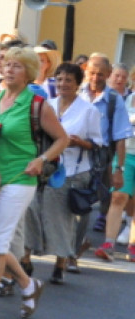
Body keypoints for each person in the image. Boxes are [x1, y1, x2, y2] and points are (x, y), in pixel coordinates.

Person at [0, 47, 68, 319]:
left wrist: (41, 160)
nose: (9, 69)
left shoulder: (37, 105)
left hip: (21, 177)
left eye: (17, 66)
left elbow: (62, 139)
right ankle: (28, 284)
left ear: (29, 72)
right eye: (7, 64)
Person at [24, 62, 102, 284]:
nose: (63, 84)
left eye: (68, 80)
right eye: (59, 79)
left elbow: (97, 143)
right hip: (44, 168)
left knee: (59, 217)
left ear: (78, 84)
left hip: (73, 171)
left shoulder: (89, 111)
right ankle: (26, 257)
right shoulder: (47, 104)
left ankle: (60, 262)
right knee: (31, 210)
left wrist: (79, 142)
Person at [75, 53, 131, 263]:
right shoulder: (77, 93)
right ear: (86, 72)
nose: (96, 77)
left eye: (100, 74)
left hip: (96, 160)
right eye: (92, 72)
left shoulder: (114, 100)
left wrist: (119, 169)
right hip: (70, 156)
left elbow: (120, 136)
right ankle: (72, 248)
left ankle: (73, 251)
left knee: (82, 205)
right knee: (66, 204)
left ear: (108, 74)